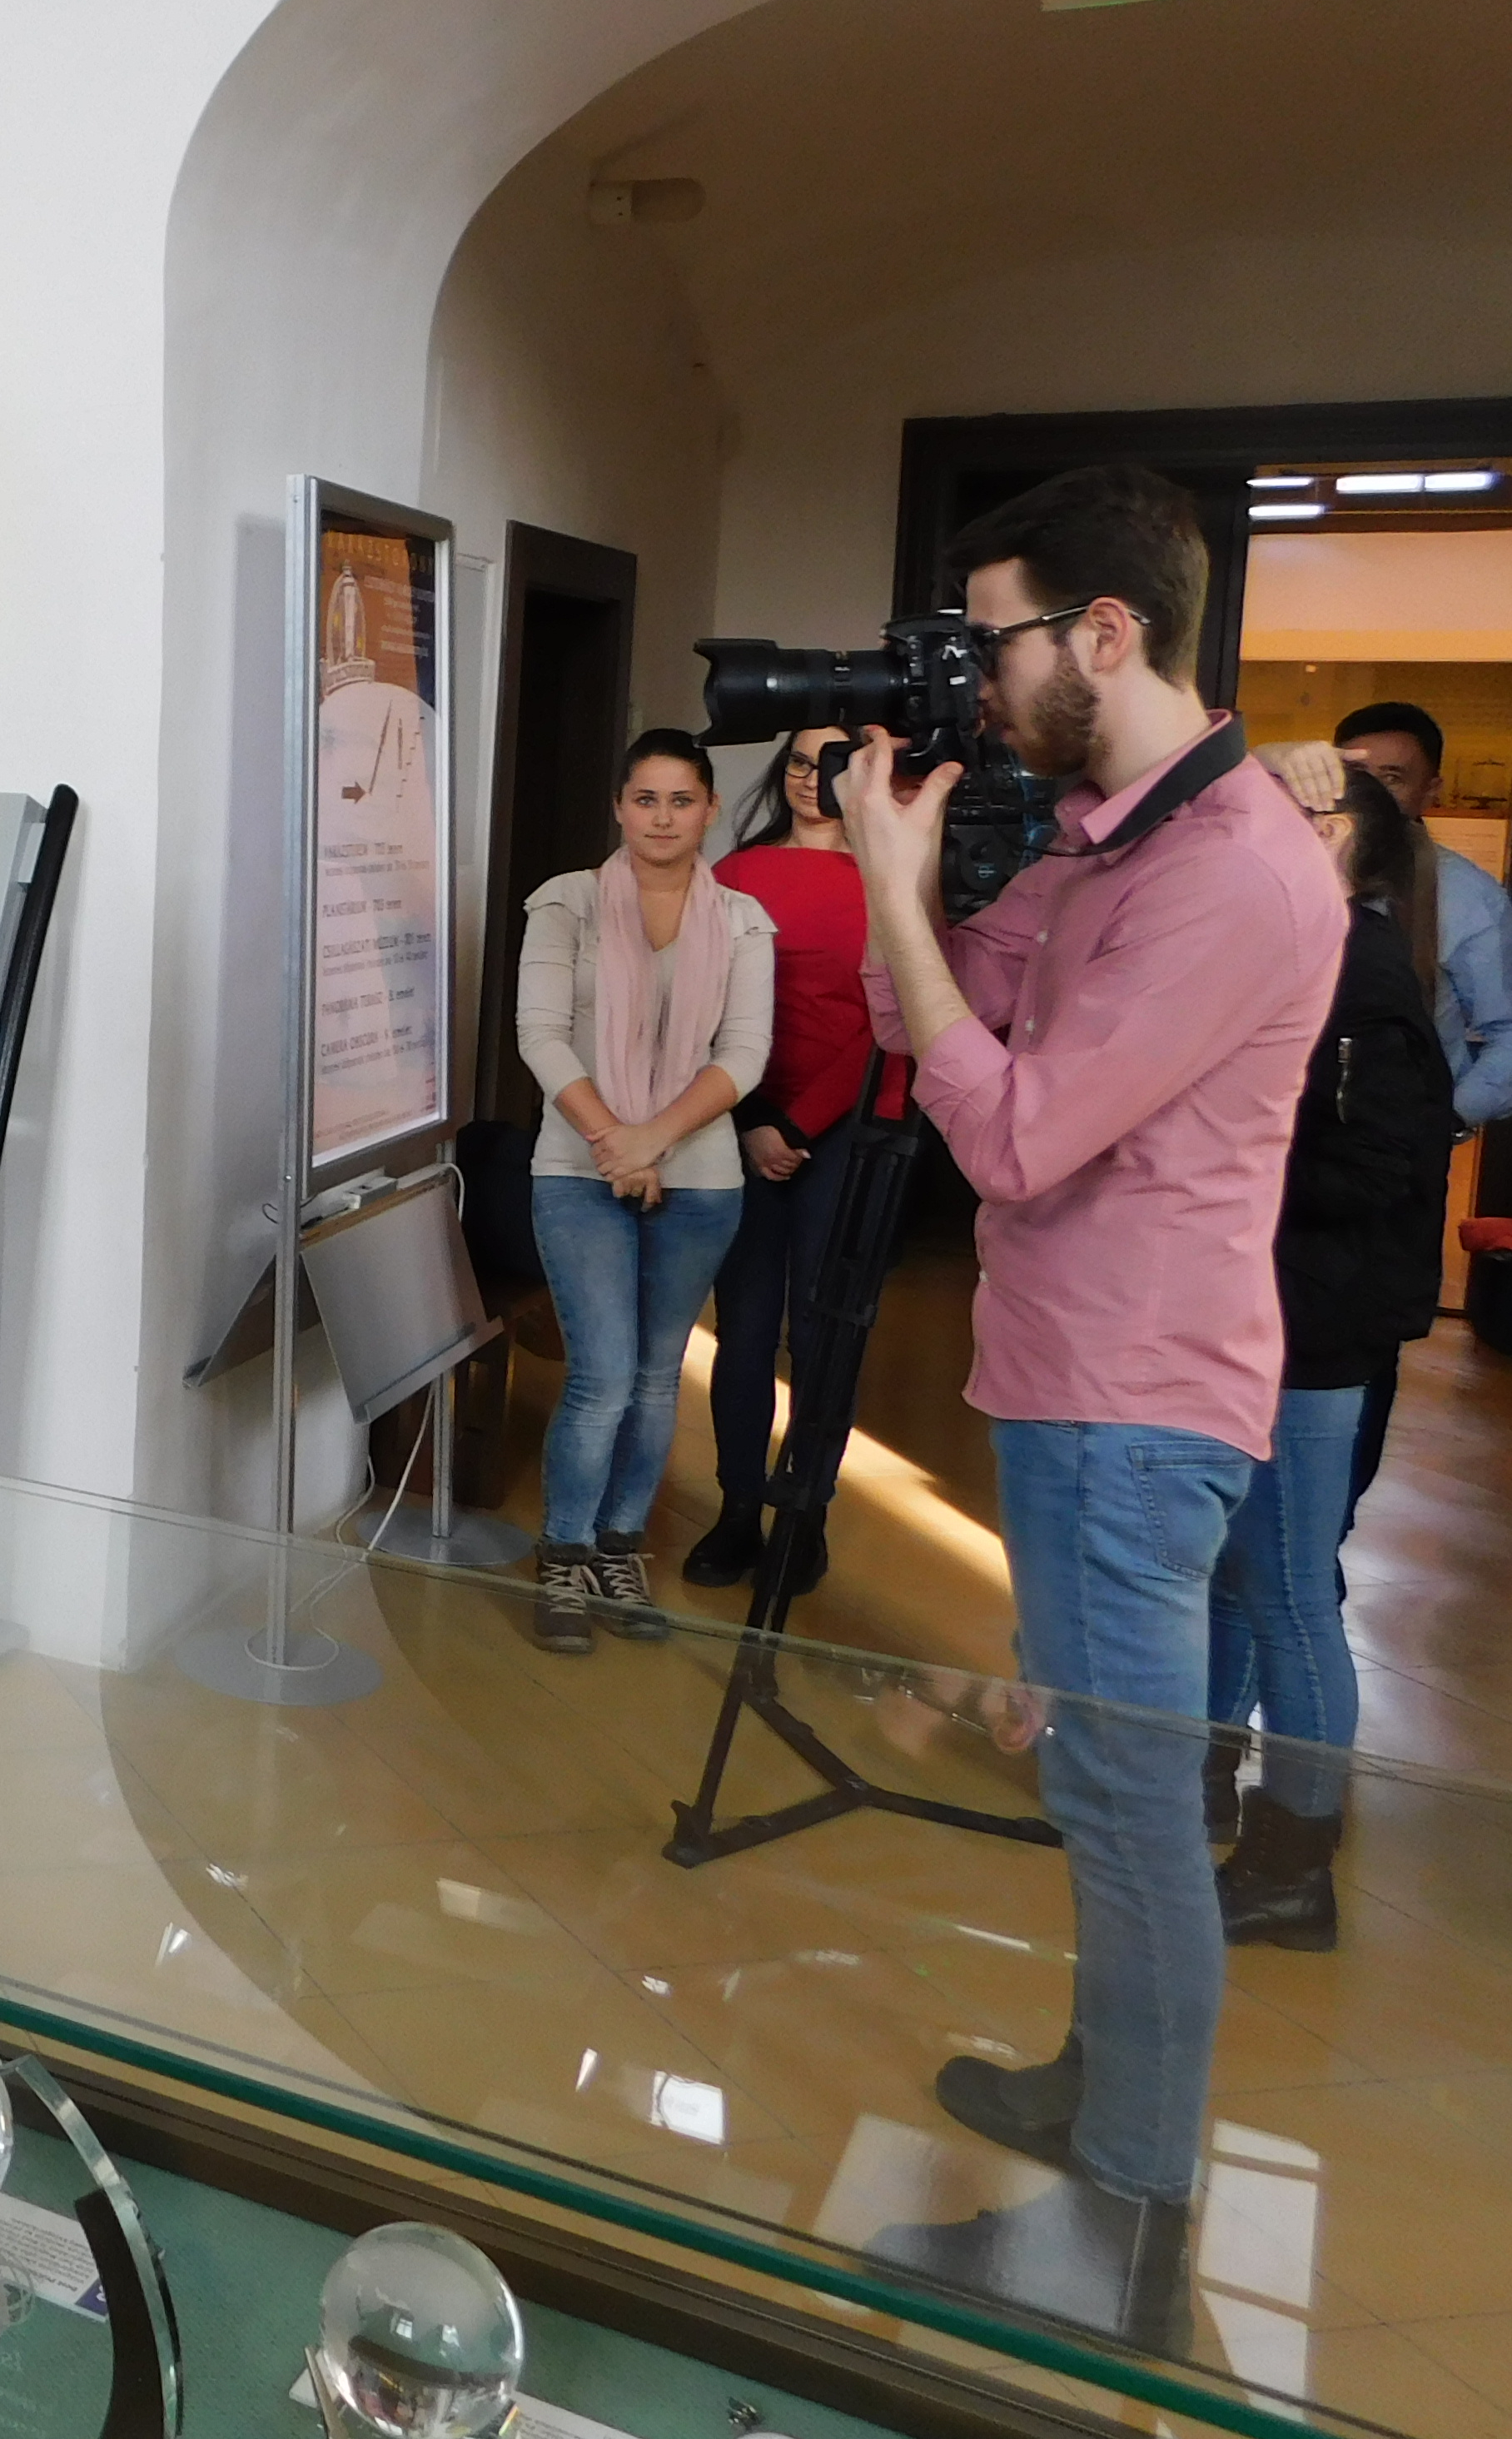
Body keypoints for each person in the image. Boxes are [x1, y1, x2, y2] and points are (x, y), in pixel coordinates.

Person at [840, 465, 1344, 2349]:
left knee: (1134, 1804)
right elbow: (911, 1023)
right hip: (1065, 1381)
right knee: (1094, 1784)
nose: (977, 675)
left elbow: (1014, 1134)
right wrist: (905, 881)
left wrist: (892, 899)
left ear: (1105, 633)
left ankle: (1122, 2230)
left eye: (995, 640)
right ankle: (1097, 2086)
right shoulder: (1099, 844)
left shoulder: (1228, 875)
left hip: (1140, 1411)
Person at [1202, 766, 1454, 1952]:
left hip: (1316, 1322)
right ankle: (1206, 1787)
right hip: (1270, 1308)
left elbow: (1370, 1170)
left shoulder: (1362, 973)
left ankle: (1294, 1862)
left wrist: (1220, 1157)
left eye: (1290, 815)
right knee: (1241, 1568)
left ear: (1343, 839)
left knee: (1293, 1591)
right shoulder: (1310, 953)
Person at [512, 729, 777, 1652]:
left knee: (659, 1379)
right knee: (603, 1377)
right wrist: (611, 1142)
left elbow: (744, 1053)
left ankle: (620, 1548)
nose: (662, 818)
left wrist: (651, 1140)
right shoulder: (567, 903)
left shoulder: (743, 921)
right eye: (645, 799)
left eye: (681, 800)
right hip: (576, 1171)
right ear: (619, 807)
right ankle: (565, 1556)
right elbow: (541, 1034)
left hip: (700, 1180)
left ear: (709, 809)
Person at [691, 724, 908, 1598]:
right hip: (741, 1120)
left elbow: (891, 1019)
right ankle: (738, 1509)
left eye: (834, 764)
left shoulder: (894, 877)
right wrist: (751, 1118)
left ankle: (804, 1516)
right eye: (799, 763)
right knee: (743, 1329)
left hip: (852, 1129)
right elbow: (703, 1005)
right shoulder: (736, 874)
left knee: (825, 1334)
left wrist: (796, 1122)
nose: (813, 779)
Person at [1327, 699, 1512, 1509]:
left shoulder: (1463, 896)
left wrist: (1444, 1118)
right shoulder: (1281, 878)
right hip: (1283, 1167)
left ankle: (1325, 1538)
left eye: (1393, 777)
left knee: (1362, 1355)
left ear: (1431, 789)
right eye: (1354, 774)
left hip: (1396, 1171)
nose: (1370, 793)